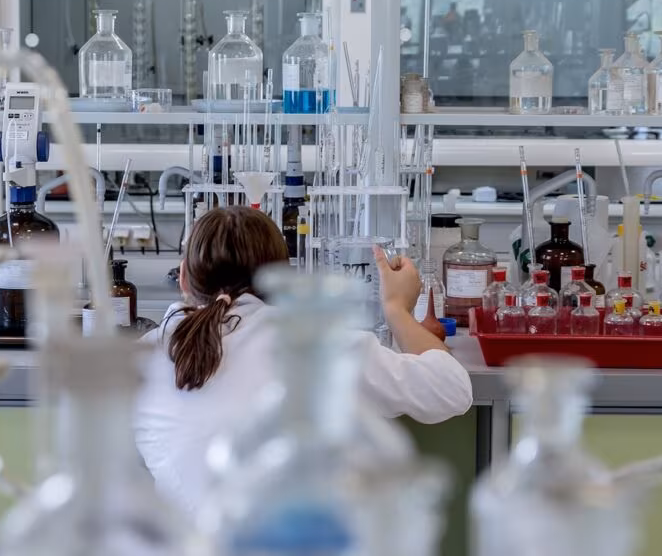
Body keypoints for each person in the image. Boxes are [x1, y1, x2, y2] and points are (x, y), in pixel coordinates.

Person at [134, 206, 473, 516]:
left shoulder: (141, 360)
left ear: (182, 278)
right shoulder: (316, 346)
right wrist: (396, 309)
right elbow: (451, 389)